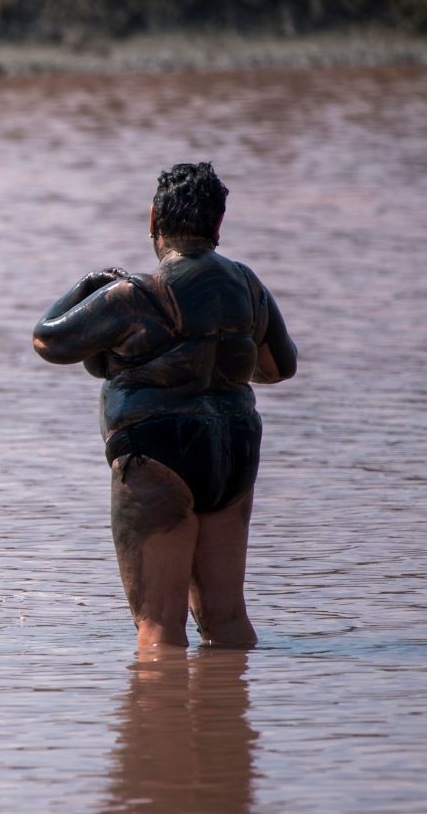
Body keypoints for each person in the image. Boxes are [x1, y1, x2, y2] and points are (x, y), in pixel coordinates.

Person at [32, 163, 296, 649]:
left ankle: (159, 722)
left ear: (153, 218)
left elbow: (48, 341)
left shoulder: (132, 296)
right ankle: (230, 720)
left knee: (159, 628)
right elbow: (279, 367)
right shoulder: (248, 286)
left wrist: (88, 284)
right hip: (233, 452)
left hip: (157, 455)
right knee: (227, 621)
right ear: (218, 226)